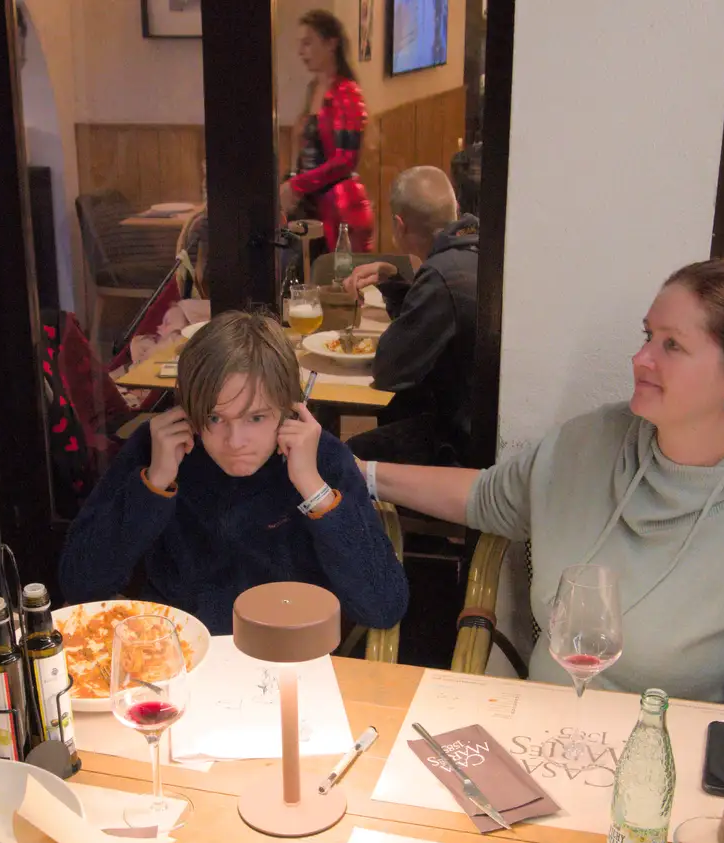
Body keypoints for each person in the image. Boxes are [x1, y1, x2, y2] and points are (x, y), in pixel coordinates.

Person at [359, 260, 724, 704]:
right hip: (541, 739)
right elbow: (491, 498)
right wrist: (361, 475)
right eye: (647, 335)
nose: (640, 358)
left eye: (671, 345)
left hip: (665, 770)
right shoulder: (597, 440)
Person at [59, 311, 407, 634]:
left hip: (289, 653)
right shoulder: (156, 448)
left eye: (255, 418)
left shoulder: (323, 458)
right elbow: (81, 583)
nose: (235, 441)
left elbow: (383, 607)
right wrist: (154, 483)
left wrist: (314, 490)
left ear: (288, 408)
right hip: (180, 655)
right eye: (214, 418)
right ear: (188, 409)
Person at [341, 166, 479, 465]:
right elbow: (428, 329)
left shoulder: (442, 276)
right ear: (455, 210)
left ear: (399, 225)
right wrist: (393, 279)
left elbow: (390, 369)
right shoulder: (474, 252)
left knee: (345, 456)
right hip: (479, 421)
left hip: (461, 444)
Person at [281, 9, 374, 252]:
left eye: (308, 43)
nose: (301, 52)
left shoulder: (348, 93)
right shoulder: (313, 89)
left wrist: (297, 185)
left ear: (331, 43)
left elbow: (346, 160)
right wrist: (292, 180)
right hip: (311, 204)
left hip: (339, 208)